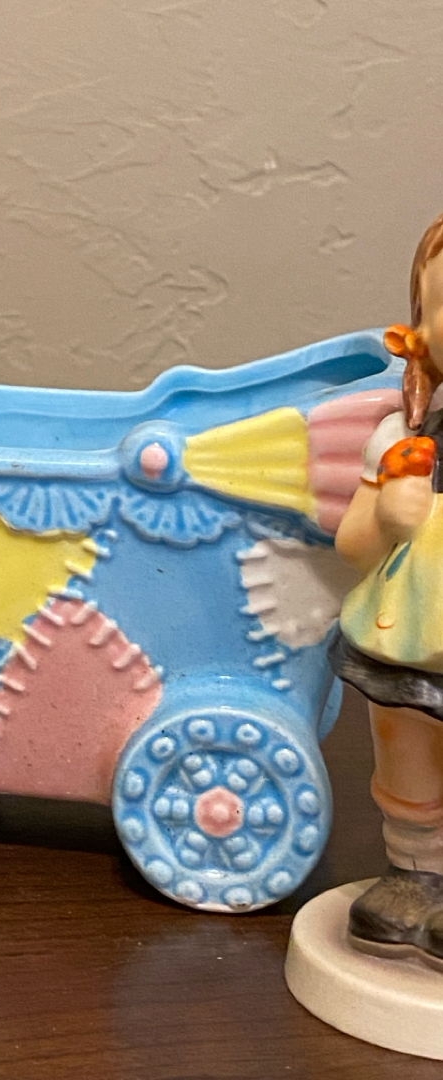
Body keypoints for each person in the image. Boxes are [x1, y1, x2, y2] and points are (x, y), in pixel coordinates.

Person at [331, 210, 443, 960]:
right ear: (419, 332)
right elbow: (352, 545)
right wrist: (389, 519)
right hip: (402, 642)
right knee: (406, 758)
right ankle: (414, 874)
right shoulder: (400, 439)